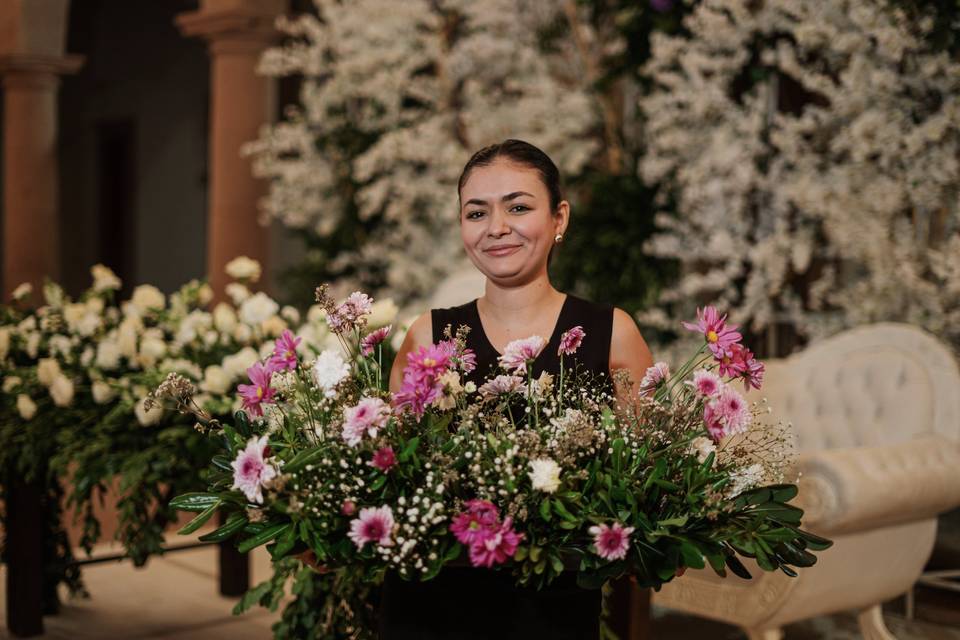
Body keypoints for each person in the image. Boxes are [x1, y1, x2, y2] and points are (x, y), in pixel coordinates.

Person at [379, 139, 655, 639]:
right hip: (430, 606)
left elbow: (649, 475)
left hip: (552, 612)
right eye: (476, 212)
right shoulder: (427, 335)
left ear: (560, 218)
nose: (496, 228)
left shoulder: (612, 333)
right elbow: (389, 468)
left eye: (519, 207)